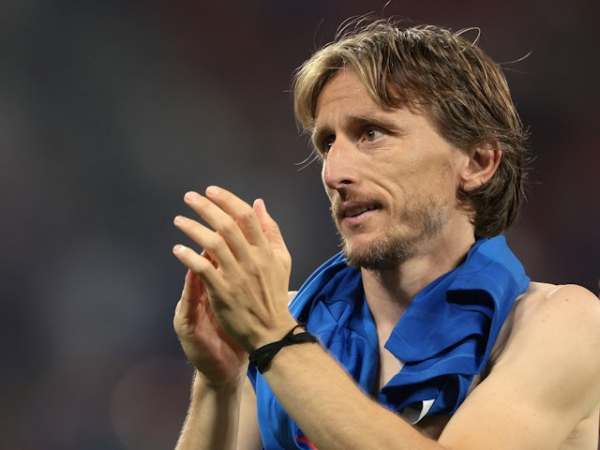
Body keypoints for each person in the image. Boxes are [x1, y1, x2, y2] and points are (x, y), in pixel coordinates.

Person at [170, 20, 600, 450]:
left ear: (477, 161)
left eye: (371, 134)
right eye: (327, 144)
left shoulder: (558, 324)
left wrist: (274, 337)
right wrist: (219, 382)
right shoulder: (283, 322)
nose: (335, 174)